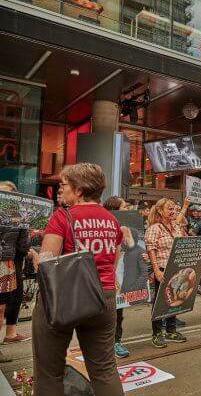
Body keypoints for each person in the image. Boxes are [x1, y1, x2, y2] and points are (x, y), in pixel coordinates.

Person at [33, 163, 124, 396]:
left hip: (62, 298)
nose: (60, 190)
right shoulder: (111, 220)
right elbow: (114, 259)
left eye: (64, 185)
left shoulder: (62, 216)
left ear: (80, 190)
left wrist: (34, 256)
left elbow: (46, 263)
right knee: (104, 370)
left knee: (49, 372)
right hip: (102, 297)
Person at [145, 198, 188, 348]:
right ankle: (157, 333)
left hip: (176, 269)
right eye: (169, 209)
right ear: (160, 211)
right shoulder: (155, 228)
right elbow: (151, 249)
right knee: (160, 301)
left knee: (174, 299)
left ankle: (171, 330)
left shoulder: (176, 227)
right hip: (162, 269)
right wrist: (156, 270)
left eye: (174, 209)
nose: (173, 212)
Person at [0, 181, 32, 363]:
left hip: (6, 265)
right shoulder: (19, 217)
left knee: (1, 307)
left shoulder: (20, 219)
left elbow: (23, 246)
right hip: (6, 263)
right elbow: (23, 247)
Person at [102, 196, 131, 359]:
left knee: (118, 310)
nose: (128, 210)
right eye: (125, 207)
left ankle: (116, 341)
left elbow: (133, 247)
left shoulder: (127, 227)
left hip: (122, 271)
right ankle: (103, 344)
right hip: (107, 274)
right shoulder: (105, 227)